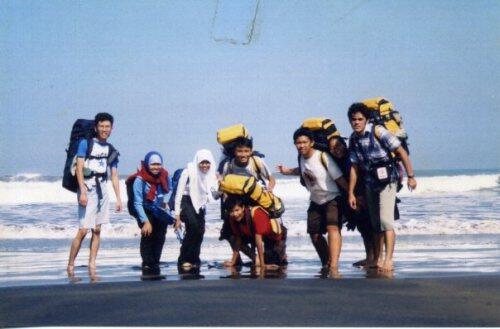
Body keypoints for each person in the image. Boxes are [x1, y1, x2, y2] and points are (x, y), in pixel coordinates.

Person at [347, 103, 417, 272]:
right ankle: (377, 258)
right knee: (375, 223)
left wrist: (411, 177)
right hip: (370, 181)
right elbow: (355, 167)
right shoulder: (354, 139)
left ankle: (388, 260)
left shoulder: (378, 131)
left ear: (367, 120)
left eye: (360, 119)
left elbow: (401, 151)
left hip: (388, 179)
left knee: (386, 221)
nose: (356, 122)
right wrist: (351, 193)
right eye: (353, 119)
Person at [277, 128, 347, 271]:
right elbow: (302, 170)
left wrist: (351, 195)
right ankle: (326, 262)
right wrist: (287, 171)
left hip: (333, 197)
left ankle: (333, 265)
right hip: (316, 199)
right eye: (298, 142)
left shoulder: (322, 156)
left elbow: (339, 178)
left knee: (333, 228)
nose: (301, 145)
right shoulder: (301, 157)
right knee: (314, 233)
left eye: (304, 142)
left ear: (312, 142)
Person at [67, 112, 122, 276]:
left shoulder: (111, 149)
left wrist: (119, 198)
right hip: (88, 187)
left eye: (108, 126)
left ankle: (92, 263)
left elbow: (114, 175)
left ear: (112, 128)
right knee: (83, 230)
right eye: (102, 126)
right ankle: (71, 264)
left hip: (102, 190)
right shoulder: (86, 143)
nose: (105, 129)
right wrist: (82, 190)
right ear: (96, 127)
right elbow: (79, 167)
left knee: (97, 230)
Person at [219, 137, 276, 264]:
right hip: (237, 203)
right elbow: (224, 182)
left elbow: (271, 178)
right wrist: (225, 197)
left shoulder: (256, 161)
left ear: (251, 151)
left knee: (260, 232)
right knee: (230, 233)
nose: (243, 154)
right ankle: (251, 258)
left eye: (246, 151)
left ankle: (264, 259)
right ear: (234, 152)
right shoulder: (229, 164)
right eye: (240, 151)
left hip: (255, 201)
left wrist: (269, 189)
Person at [328, 136, 375, 268]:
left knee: (368, 228)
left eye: (338, 146)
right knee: (363, 228)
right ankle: (370, 257)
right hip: (349, 198)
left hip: (362, 195)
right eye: (332, 148)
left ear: (344, 145)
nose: (335, 150)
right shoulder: (334, 161)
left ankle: (373, 258)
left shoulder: (351, 157)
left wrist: (358, 195)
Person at [174, 149, 219, 270]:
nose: (205, 165)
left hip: (200, 204)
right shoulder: (188, 171)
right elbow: (178, 194)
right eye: (202, 162)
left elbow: (214, 195)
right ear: (198, 162)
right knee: (193, 227)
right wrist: (177, 215)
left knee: (200, 231)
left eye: (207, 163)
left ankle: (194, 259)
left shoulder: (210, 175)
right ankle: (183, 259)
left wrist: (221, 184)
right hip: (186, 201)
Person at [131, 151, 172, 276]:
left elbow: (169, 191)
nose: (156, 167)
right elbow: (137, 203)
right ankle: (147, 263)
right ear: (147, 164)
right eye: (153, 164)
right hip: (145, 210)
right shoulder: (140, 179)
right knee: (148, 235)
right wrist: (145, 221)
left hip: (159, 210)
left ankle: (155, 262)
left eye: (158, 164)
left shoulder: (165, 175)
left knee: (160, 236)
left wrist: (168, 207)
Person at [224, 196, 287, 273]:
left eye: (237, 210)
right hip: (254, 234)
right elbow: (238, 240)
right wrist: (232, 262)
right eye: (231, 211)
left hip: (274, 237)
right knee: (232, 238)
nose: (235, 214)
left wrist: (263, 265)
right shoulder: (232, 218)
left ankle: (282, 255)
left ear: (243, 207)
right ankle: (256, 258)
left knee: (275, 263)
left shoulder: (256, 213)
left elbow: (259, 241)